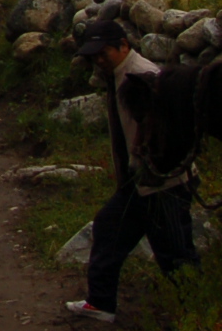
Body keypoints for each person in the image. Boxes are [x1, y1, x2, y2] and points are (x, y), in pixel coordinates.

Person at [64, 18, 202, 323]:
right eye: (94, 55)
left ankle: (196, 313)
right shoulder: (119, 74)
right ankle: (101, 303)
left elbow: (175, 131)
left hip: (164, 184)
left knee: (175, 255)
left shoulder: (145, 77)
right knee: (109, 229)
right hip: (138, 182)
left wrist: (159, 170)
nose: (98, 60)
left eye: (104, 53)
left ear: (123, 46)